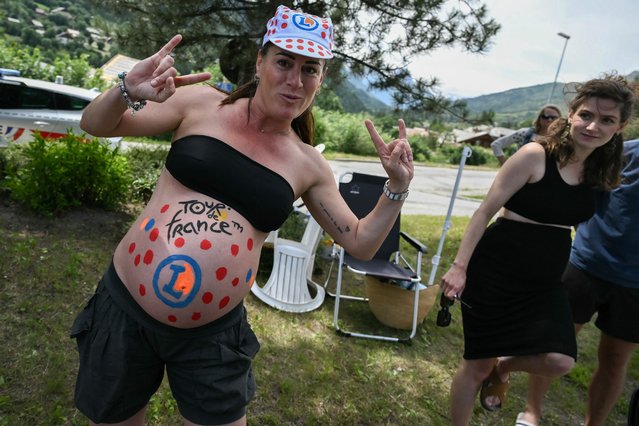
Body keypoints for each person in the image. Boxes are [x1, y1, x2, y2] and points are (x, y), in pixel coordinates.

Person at [70, 5, 414, 425]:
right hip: (125, 309)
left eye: (310, 69)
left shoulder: (307, 165)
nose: (294, 80)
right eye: (284, 62)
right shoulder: (200, 102)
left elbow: (360, 241)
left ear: (320, 80)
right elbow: (95, 124)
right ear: (259, 61)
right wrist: (125, 90)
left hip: (211, 337)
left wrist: (396, 187)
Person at [440, 73, 636, 426]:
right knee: (475, 364)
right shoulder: (534, 155)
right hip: (496, 269)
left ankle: (504, 367)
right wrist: (459, 266)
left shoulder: (601, 171)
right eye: (586, 115)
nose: (593, 126)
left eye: (607, 120)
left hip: (545, 280)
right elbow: (485, 211)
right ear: (572, 113)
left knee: (561, 360)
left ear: (620, 127)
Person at [517, 138, 639, 426]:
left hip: (635, 285)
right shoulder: (624, 153)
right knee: (554, 342)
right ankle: (532, 411)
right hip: (587, 264)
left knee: (615, 359)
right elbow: (586, 193)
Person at [491, 104, 563, 165]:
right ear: (539, 118)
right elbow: (496, 144)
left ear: (559, 120)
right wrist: (505, 165)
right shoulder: (524, 133)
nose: (549, 120)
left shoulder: (562, 139)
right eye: (545, 116)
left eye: (554, 118)